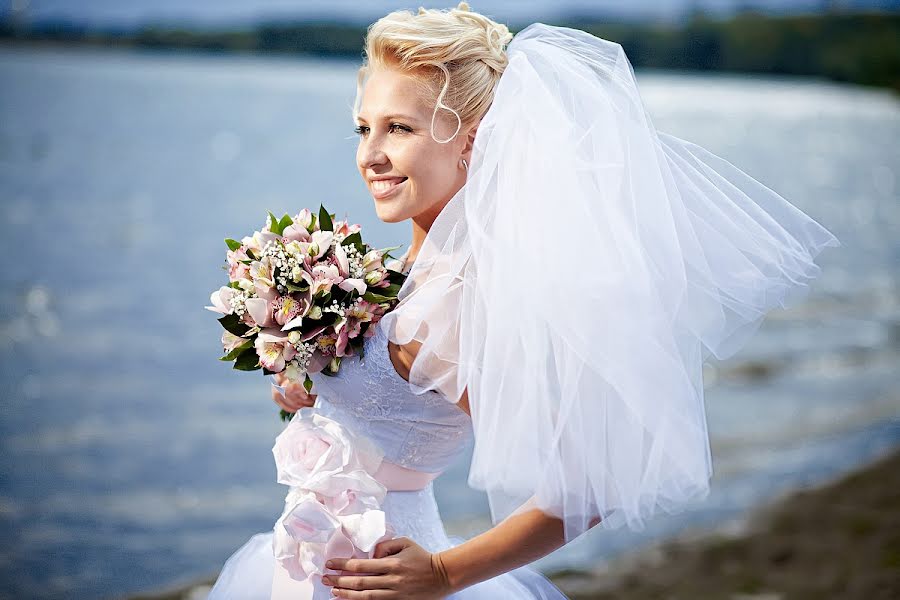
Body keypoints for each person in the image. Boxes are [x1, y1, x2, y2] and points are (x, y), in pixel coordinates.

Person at [209, 2, 840, 598]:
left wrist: (444, 572)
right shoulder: (407, 275)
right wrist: (309, 383)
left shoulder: (450, 308)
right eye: (363, 128)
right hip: (309, 564)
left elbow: (593, 482)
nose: (371, 154)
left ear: (472, 141)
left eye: (399, 128)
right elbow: (387, 412)